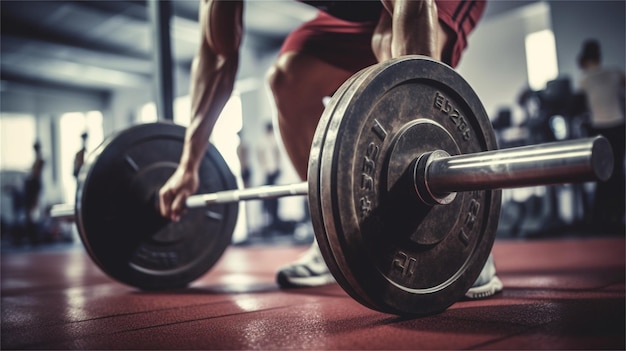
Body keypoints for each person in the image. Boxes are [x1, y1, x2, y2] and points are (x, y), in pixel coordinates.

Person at [159, 0, 502, 299]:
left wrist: (419, 168)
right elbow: (217, 54)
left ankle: (460, 238)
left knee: (388, 46)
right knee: (287, 80)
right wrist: (188, 166)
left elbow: (412, 11)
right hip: (359, 13)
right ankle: (334, 234)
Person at [577, 39, 626, 232]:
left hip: (601, 130)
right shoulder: (615, 74)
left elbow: (579, 108)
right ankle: (615, 217)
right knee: (616, 174)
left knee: (602, 174)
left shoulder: (585, 81)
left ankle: (603, 219)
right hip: (617, 127)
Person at [257, 122, 283, 235]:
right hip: (267, 172)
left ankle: (276, 221)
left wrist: (277, 167)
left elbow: (277, 154)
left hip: (274, 171)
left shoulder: (274, 140)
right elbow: (260, 155)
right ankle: (270, 221)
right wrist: (264, 168)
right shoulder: (262, 142)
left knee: (275, 198)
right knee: (268, 199)